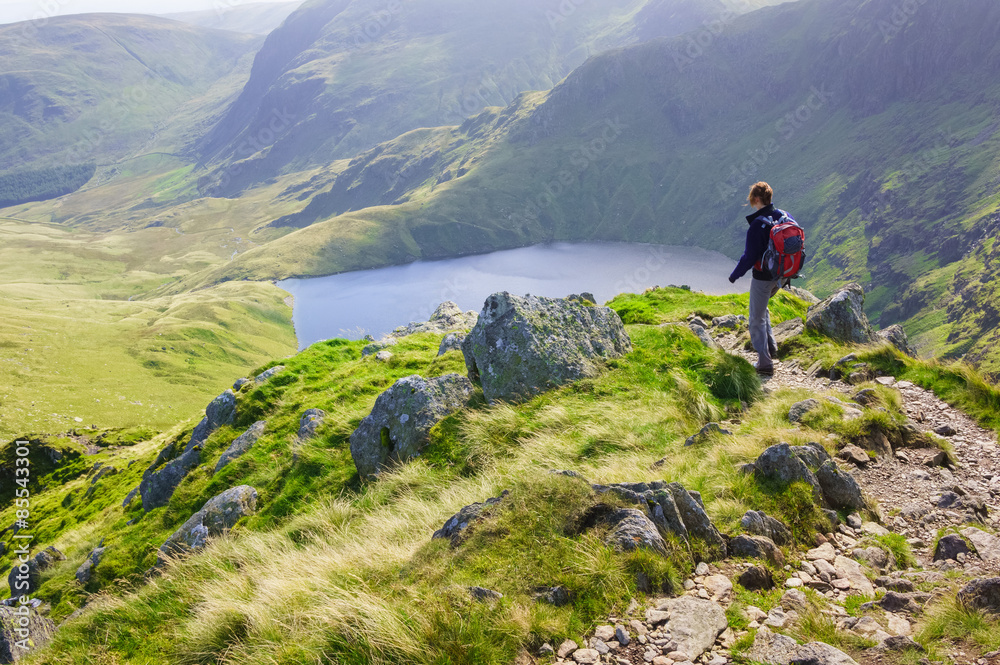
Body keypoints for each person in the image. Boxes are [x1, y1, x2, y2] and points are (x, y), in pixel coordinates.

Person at [728, 181, 782, 376]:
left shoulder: (758, 225)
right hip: (782, 276)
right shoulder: (784, 216)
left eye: (751, 199)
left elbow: (749, 257)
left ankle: (765, 363)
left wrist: (734, 275)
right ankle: (771, 347)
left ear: (757, 199)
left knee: (755, 318)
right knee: (762, 307)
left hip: (763, 278)